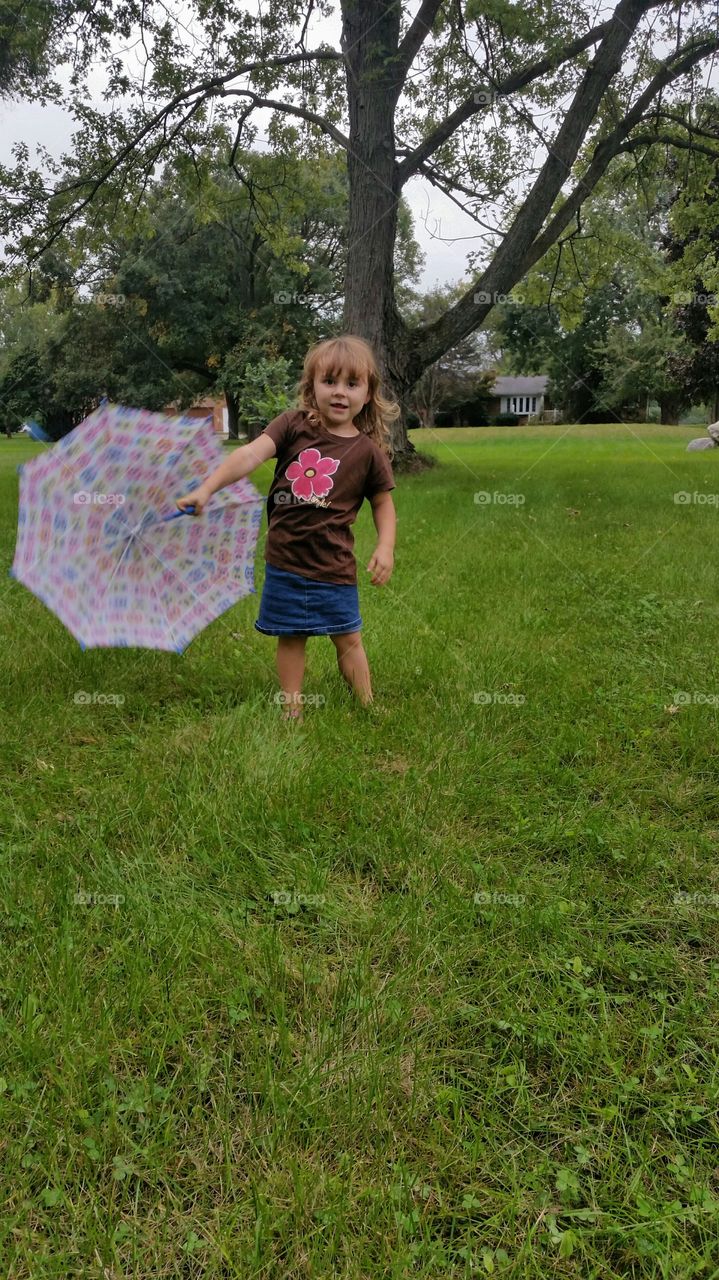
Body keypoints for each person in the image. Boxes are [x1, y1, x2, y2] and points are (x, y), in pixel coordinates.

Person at [176, 334, 399, 722]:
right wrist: (207, 488)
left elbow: (383, 502)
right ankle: (291, 708)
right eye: (329, 381)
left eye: (352, 383)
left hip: (334, 565)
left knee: (348, 637)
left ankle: (368, 705)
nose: (340, 392)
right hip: (286, 560)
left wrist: (385, 547)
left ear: (368, 392)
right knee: (291, 636)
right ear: (312, 386)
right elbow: (249, 454)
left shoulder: (367, 453)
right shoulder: (292, 426)